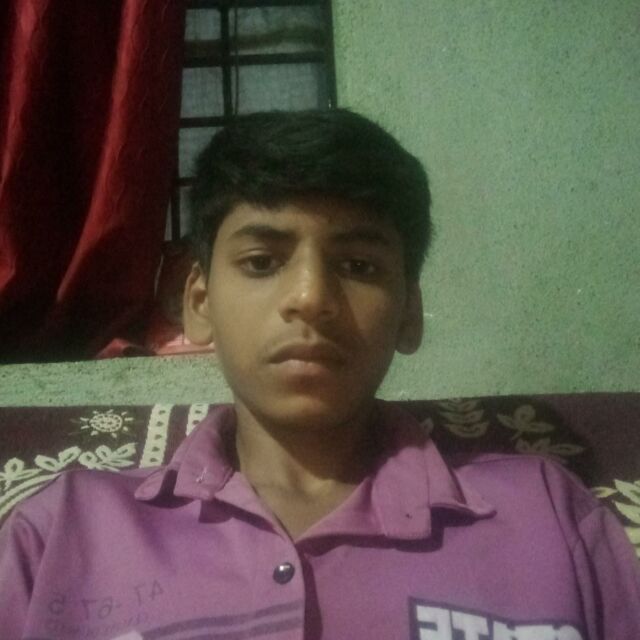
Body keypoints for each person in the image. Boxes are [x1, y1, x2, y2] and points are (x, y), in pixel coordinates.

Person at [0, 109, 638, 640]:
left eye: (359, 266)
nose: (310, 297)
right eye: (261, 261)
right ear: (199, 302)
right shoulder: (61, 532)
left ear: (409, 313)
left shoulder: (549, 518)